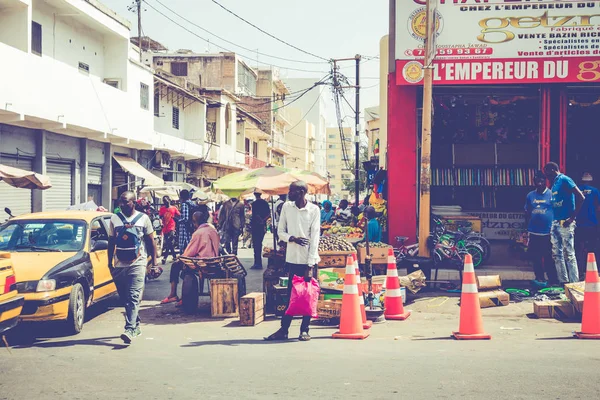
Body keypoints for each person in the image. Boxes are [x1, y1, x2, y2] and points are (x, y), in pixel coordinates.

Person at [265, 181, 320, 342]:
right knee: (291, 296)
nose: (289, 192)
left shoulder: (314, 210)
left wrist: (310, 264)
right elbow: (280, 232)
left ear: (302, 192)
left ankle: (305, 329)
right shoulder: (287, 208)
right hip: (292, 259)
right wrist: (292, 238)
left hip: (308, 260)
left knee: (308, 296)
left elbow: (315, 237)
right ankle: (284, 329)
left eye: (292, 190)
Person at [108, 191, 158, 344]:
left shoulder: (144, 218)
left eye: (126, 202)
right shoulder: (114, 218)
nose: (122, 205)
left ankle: (129, 328)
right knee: (124, 297)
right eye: (120, 202)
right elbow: (111, 242)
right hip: (119, 264)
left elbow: (151, 243)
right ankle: (135, 324)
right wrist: (109, 262)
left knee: (133, 296)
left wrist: (154, 263)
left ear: (134, 202)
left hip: (138, 263)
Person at [161, 206, 220, 306]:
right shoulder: (213, 229)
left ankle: (173, 294)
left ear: (195, 222)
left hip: (202, 263)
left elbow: (189, 253)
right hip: (214, 261)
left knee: (176, 265)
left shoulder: (198, 233)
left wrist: (180, 258)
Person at [544, 162, 586, 284]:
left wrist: (571, 218)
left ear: (553, 170)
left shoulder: (564, 179)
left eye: (547, 172)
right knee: (557, 254)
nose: (546, 176)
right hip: (555, 222)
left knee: (569, 254)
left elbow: (581, 197)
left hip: (566, 222)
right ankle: (563, 282)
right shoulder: (554, 184)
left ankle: (573, 283)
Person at [524, 171, 557, 286]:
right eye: (537, 181)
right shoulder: (530, 195)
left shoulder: (552, 194)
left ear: (545, 182)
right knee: (535, 257)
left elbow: (557, 211)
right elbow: (527, 212)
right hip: (533, 232)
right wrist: (526, 229)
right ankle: (539, 278)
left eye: (541, 181)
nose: (539, 183)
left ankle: (552, 280)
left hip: (547, 233)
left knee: (548, 257)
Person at [575, 172, 600, 277]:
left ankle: (579, 271)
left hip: (579, 223)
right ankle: (592, 270)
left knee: (578, 248)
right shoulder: (595, 191)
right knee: (592, 248)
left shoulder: (577, 190)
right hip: (592, 223)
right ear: (591, 181)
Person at [250, 192, 271, 269]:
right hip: (262, 226)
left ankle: (257, 263)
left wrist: (260, 220)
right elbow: (269, 214)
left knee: (256, 244)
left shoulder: (254, 204)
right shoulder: (265, 203)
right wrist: (263, 220)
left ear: (255, 195)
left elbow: (255, 215)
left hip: (256, 226)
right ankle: (258, 263)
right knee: (259, 243)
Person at [159, 196, 180, 264]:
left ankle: (165, 258)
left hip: (172, 227)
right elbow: (160, 218)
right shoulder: (162, 209)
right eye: (164, 201)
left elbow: (179, 215)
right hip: (165, 228)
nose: (165, 202)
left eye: (166, 201)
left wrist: (176, 219)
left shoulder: (174, 208)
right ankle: (174, 256)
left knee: (169, 241)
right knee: (169, 243)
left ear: (169, 200)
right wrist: (161, 223)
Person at [178, 190, 195, 256]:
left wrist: (178, 221)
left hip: (185, 229)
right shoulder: (192, 203)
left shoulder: (185, 204)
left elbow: (185, 218)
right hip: (191, 228)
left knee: (185, 246)